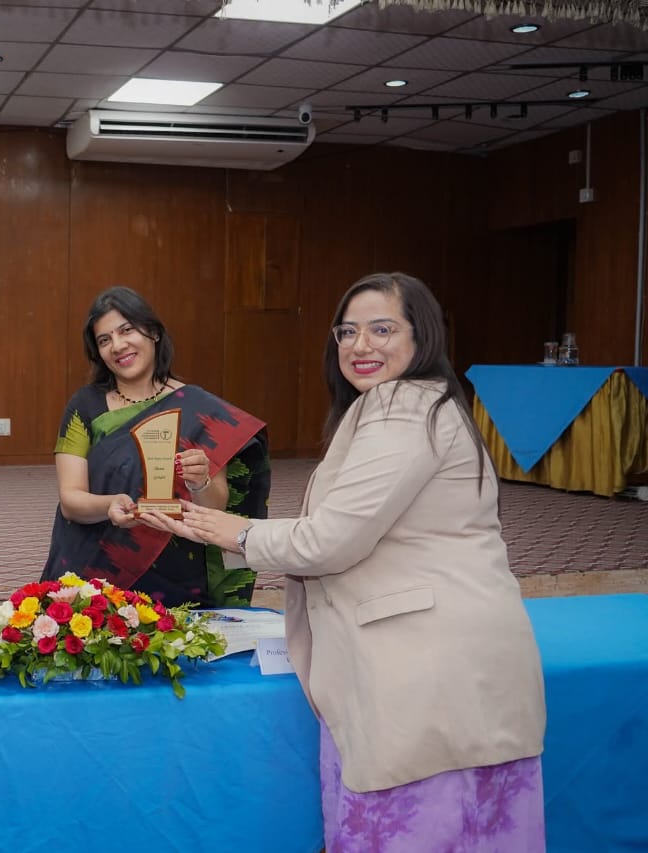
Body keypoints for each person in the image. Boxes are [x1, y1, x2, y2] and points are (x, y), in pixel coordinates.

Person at [148, 273, 547, 850]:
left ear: (422, 336)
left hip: (427, 677)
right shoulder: (418, 403)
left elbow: (329, 541)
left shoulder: (403, 407)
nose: (361, 345)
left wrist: (233, 531)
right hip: (450, 676)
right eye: (348, 331)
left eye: (382, 329)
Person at [41, 286, 270, 608]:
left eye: (126, 330)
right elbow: (70, 499)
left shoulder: (200, 409)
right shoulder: (84, 406)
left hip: (178, 569)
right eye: (104, 340)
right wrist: (111, 504)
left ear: (153, 332)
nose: (117, 346)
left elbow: (215, 506)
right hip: (98, 564)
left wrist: (200, 482)